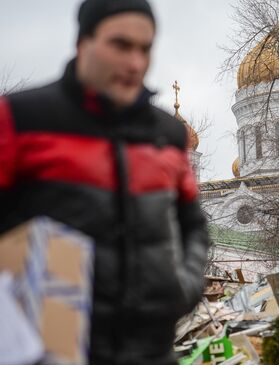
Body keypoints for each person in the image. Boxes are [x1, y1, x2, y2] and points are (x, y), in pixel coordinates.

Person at [0, 1, 210, 364]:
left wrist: (182, 288)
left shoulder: (167, 134)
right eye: (120, 45)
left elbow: (193, 224)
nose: (134, 63)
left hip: (152, 351)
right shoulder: (22, 118)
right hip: (52, 350)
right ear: (84, 42)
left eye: (145, 49)